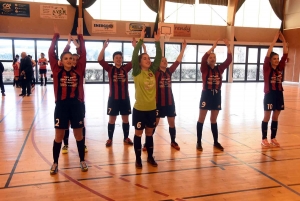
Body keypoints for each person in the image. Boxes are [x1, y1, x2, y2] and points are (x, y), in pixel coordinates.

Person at [48, 24, 87, 175]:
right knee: (59, 135)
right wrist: (56, 36)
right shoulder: (57, 70)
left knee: (79, 135)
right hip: (61, 106)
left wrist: (80, 37)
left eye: (71, 58)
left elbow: (82, 53)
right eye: (66, 58)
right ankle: (55, 162)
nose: (70, 60)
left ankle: (82, 160)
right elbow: (51, 53)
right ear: (62, 61)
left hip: (76, 106)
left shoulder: (79, 70)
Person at [142, 40, 187, 151]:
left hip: (169, 102)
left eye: (166, 61)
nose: (165, 62)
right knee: (155, 123)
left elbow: (177, 61)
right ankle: (147, 143)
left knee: (172, 123)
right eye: (162, 61)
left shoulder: (169, 71)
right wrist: (144, 49)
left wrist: (183, 48)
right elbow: (148, 61)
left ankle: (173, 141)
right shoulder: (155, 72)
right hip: (158, 103)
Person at [131, 26, 162, 168]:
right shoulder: (137, 72)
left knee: (149, 134)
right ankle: (138, 159)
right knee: (138, 134)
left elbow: (159, 57)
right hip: (139, 110)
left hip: (151, 109)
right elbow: (134, 55)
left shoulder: (151, 71)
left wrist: (157, 42)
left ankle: (150, 157)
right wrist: (141, 40)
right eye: (145, 58)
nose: (148, 60)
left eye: (148, 58)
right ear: (139, 62)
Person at [196, 38, 232, 151]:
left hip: (216, 95)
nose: (212, 59)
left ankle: (216, 142)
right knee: (201, 118)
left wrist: (228, 46)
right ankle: (199, 142)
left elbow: (229, 60)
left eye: (214, 57)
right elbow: (202, 58)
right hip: (206, 95)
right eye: (210, 57)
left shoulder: (219, 68)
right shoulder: (204, 68)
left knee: (213, 120)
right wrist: (213, 47)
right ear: (207, 60)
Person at [98, 38, 135, 147]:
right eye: (116, 58)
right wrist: (104, 48)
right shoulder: (110, 68)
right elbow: (100, 60)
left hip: (125, 99)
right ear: (113, 59)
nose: (118, 59)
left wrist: (134, 47)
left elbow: (135, 60)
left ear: (122, 59)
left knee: (125, 119)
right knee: (112, 119)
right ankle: (110, 139)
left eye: (120, 58)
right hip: (113, 99)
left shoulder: (125, 68)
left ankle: (126, 137)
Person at [61, 35, 88, 154]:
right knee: (65, 124)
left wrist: (78, 45)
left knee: (81, 124)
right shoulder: (64, 70)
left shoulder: (80, 71)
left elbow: (83, 55)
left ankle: (83, 143)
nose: (74, 62)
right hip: (66, 102)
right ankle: (65, 144)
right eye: (73, 59)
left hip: (80, 102)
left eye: (76, 60)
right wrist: (68, 44)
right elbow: (62, 57)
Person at [261, 31, 288, 147]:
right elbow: (267, 55)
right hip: (269, 95)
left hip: (279, 94)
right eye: (275, 59)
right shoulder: (267, 69)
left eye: (277, 58)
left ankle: (273, 138)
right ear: (271, 61)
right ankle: (264, 138)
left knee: (275, 116)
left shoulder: (280, 68)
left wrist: (284, 41)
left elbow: (286, 54)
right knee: (267, 116)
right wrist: (273, 41)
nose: (277, 60)